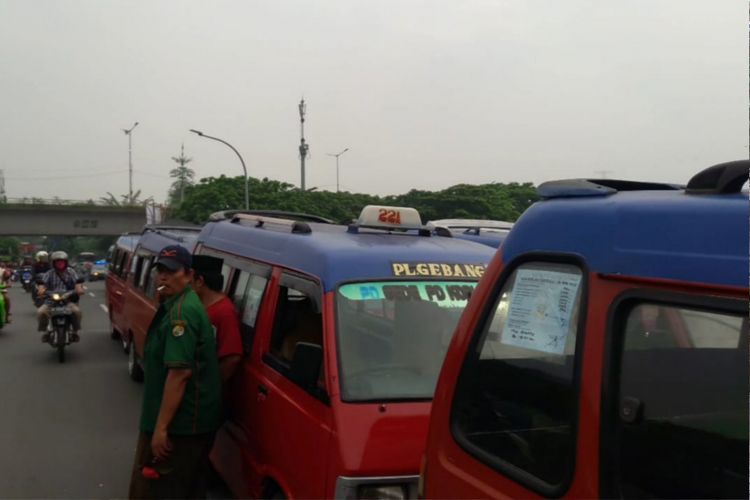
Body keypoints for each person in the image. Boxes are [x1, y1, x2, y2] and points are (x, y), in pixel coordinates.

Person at [129, 245, 222, 500]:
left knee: (157, 490)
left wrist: (161, 429)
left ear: (190, 275)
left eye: (171, 271)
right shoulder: (176, 304)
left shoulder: (182, 314)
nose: (163, 277)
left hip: (180, 427)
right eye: (160, 270)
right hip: (182, 423)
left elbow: (179, 374)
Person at [192, 255, 243, 384]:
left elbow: (232, 357)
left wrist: (211, 385)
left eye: (188, 277)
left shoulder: (224, 312)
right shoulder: (199, 305)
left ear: (199, 281)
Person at [37, 251, 83, 342]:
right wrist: (41, 290)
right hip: (51, 300)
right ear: (53, 263)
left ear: (66, 262)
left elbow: (77, 283)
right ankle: (45, 332)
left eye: (62, 261)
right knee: (41, 312)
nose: (60, 263)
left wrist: (79, 289)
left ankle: (75, 332)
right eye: (57, 262)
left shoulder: (71, 272)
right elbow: (42, 285)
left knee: (77, 312)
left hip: (68, 299)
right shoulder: (49, 273)